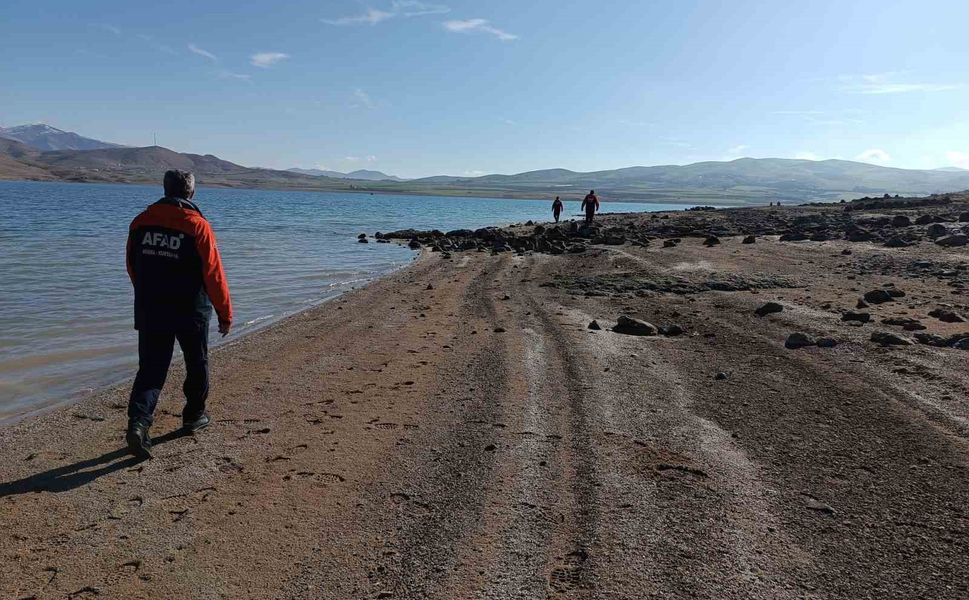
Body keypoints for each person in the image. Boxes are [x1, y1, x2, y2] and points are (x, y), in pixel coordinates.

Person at [124, 170, 233, 459]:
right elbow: (214, 274)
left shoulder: (140, 222)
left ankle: (139, 423)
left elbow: (132, 266)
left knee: (151, 369)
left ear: (164, 188)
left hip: (151, 307)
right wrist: (225, 313)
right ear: (191, 193)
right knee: (196, 362)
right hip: (190, 310)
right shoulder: (198, 226)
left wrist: (147, 294)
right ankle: (194, 415)